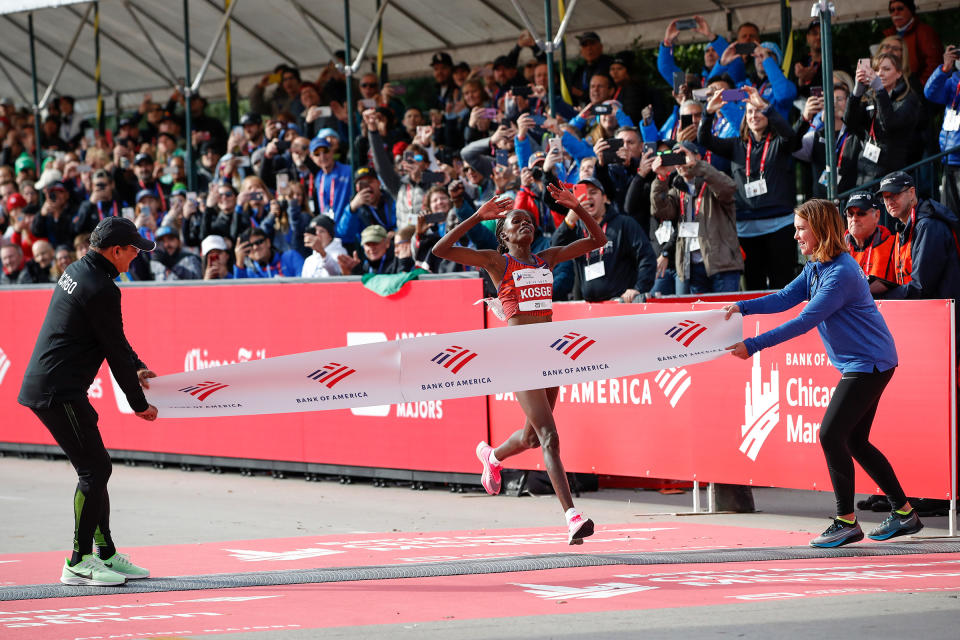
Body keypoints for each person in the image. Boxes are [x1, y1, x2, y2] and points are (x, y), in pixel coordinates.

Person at [723, 199, 922, 548]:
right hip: (863, 362)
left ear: (820, 229)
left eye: (801, 229)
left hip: (870, 363)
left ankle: (846, 521)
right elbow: (786, 297)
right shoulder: (817, 265)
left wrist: (752, 345)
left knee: (831, 435)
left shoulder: (842, 272)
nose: (796, 236)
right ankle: (904, 513)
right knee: (854, 440)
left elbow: (804, 321)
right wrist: (742, 306)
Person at [431, 186, 606, 544]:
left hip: (550, 355)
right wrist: (477, 217)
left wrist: (577, 208)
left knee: (530, 435)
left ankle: (492, 455)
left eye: (528, 220)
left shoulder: (547, 259)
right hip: (519, 356)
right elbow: (440, 250)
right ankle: (572, 517)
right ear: (504, 236)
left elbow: (598, 239)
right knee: (549, 437)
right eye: (516, 222)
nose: (524, 224)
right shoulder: (497, 263)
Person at [17, 216, 158, 585]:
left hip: (56, 386)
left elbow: (113, 336)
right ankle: (78, 561)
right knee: (94, 470)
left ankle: (105, 553)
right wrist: (138, 403)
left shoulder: (79, 270)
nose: (136, 258)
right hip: (56, 391)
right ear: (116, 251)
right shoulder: (101, 287)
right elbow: (113, 349)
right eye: (134, 251)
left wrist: (138, 363)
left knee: (98, 467)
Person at [699, 85, 802, 291]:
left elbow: (792, 138)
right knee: (753, 287)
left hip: (780, 224)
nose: (755, 115)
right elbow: (704, 140)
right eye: (750, 111)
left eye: (759, 111)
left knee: (782, 285)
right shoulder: (736, 144)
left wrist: (765, 105)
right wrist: (708, 113)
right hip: (746, 227)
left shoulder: (779, 142)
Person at [651, 141, 742, 294]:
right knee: (697, 317)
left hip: (722, 265)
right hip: (690, 267)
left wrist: (697, 165)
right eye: (676, 158)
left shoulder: (713, 180)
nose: (680, 162)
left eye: (683, 156)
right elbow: (661, 211)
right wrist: (660, 178)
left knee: (725, 313)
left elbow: (728, 189)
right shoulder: (677, 188)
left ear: (698, 156)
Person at [924, 45, 960, 216]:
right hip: (948, 160)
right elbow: (930, 92)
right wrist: (945, 68)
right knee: (950, 215)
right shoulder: (953, 81)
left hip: (956, 154)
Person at [884, 0, 943, 85]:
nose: (896, 13)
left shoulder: (925, 32)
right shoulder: (889, 35)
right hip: (895, 89)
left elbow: (934, 64)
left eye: (900, 8)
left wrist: (919, 87)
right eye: (892, 10)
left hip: (920, 91)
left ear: (911, 10)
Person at [843, 192, 897, 284]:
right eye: (850, 214)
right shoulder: (837, 249)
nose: (854, 218)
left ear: (877, 216)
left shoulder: (895, 244)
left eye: (861, 214)